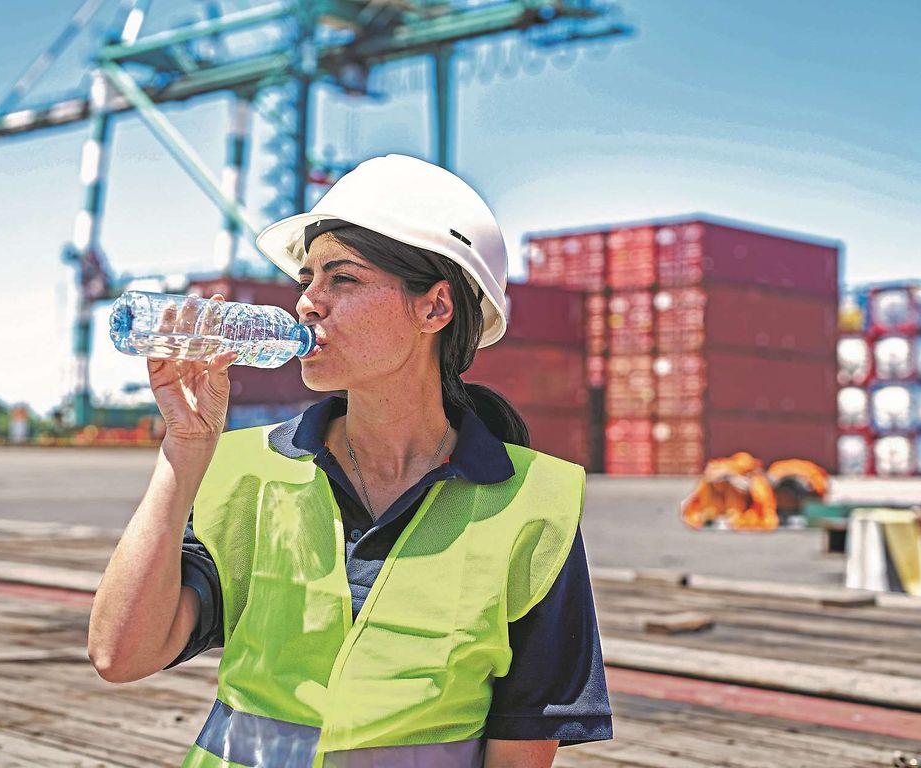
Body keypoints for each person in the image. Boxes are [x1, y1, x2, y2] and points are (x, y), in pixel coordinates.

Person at [88, 154, 613, 768]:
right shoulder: (247, 471)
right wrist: (185, 449)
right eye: (307, 280)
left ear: (434, 308)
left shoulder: (531, 505)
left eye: (342, 279)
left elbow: (522, 747)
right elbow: (119, 655)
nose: (307, 303)